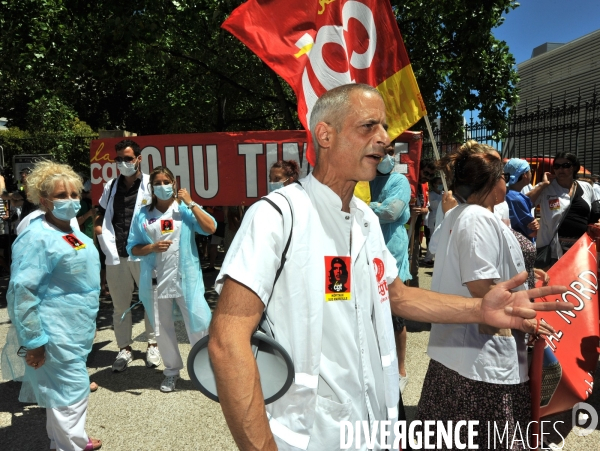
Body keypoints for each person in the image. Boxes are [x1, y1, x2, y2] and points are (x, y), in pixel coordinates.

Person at [207, 83, 569, 450]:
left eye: (384, 128)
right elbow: (227, 341)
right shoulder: (276, 216)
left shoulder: (363, 217)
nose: (383, 138)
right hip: (308, 437)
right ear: (325, 135)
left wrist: (481, 308)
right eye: (369, 126)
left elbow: (397, 296)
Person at [416, 142, 549, 448]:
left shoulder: (466, 214)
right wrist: (525, 320)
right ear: (492, 181)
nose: (508, 182)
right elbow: (481, 289)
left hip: (467, 357)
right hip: (479, 362)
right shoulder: (476, 218)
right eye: (503, 176)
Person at [2, 161, 102, 450]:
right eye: (61, 195)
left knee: (63, 391)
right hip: (54, 330)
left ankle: (71, 440)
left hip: (75, 328)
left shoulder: (68, 230)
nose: (70, 200)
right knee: (70, 392)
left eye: (74, 194)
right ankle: (69, 445)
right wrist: (34, 341)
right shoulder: (36, 237)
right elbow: (22, 291)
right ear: (43, 200)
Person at [127, 166, 216, 392]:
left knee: (200, 324)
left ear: (174, 184)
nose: (163, 186)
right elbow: (132, 248)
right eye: (158, 182)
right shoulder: (143, 215)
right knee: (162, 328)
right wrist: (151, 247)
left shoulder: (184, 210)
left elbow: (211, 228)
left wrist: (192, 203)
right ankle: (171, 371)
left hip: (186, 280)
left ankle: (205, 370)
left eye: (167, 181)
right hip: (156, 281)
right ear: (152, 188)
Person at [94, 139, 160, 372]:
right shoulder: (111, 186)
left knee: (150, 302)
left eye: (128, 159)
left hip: (143, 253)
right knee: (120, 306)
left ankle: (153, 344)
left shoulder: (152, 184)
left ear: (139, 159)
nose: (123, 163)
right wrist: (100, 234)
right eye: (119, 159)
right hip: (116, 254)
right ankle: (124, 348)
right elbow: (100, 215)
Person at [368, 142, 412, 393]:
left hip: (392, 255)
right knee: (374, 316)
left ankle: (401, 369)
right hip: (370, 254)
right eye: (383, 151)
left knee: (396, 317)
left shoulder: (400, 182)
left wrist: (367, 207)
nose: (387, 157)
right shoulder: (368, 178)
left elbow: (391, 213)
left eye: (391, 152)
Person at [529, 151, 600, 268]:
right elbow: (524, 203)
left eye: (565, 165)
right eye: (557, 166)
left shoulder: (586, 187)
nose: (560, 169)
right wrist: (543, 184)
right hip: (553, 248)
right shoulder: (547, 187)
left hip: (580, 247)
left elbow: (595, 213)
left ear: (574, 167)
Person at [504, 158, 541, 289]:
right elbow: (531, 230)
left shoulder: (507, 194)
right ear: (525, 175)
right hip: (521, 252)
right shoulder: (517, 198)